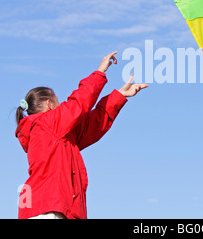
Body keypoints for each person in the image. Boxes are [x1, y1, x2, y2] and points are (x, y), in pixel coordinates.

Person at [15, 51, 147, 219]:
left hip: (55, 209)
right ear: (49, 104)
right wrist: (100, 72)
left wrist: (119, 95)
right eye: (58, 101)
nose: (62, 104)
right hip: (48, 209)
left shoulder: (59, 134)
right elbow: (79, 102)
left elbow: (93, 124)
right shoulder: (47, 123)